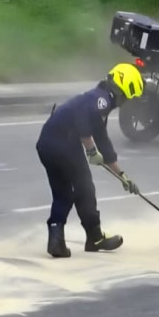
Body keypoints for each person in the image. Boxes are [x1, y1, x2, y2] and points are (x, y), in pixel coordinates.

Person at [35, 63, 143, 258]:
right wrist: (91, 150)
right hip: (64, 142)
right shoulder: (102, 100)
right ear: (123, 89)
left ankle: (56, 240)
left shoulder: (95, 99)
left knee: (64, 193)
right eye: (129, 97)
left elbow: (103, 142)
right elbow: (82, 120)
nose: (126, 103)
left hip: (46, 143)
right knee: (84, 188)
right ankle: (94, 237)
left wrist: (122, 176)